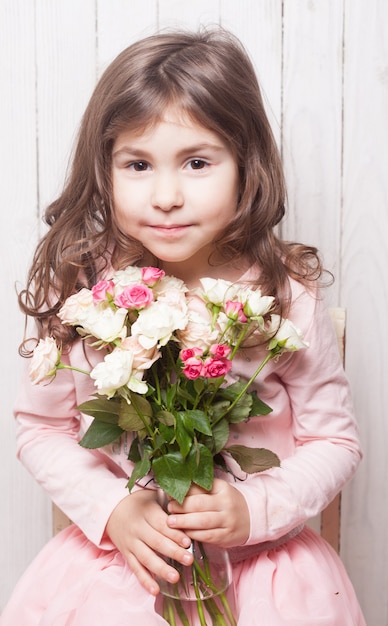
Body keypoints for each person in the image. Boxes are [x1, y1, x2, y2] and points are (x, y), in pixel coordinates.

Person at [1, 28, 366, 625]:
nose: (166, 195)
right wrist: (112, 509)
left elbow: (335, 442)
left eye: (197, 162)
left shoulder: (282, 297)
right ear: (105, 167)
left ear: (246, 165)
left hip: (264, 578)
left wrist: (256, 506)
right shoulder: (80, 289)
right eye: (138, 164)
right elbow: (40, 428)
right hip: (123, 570)